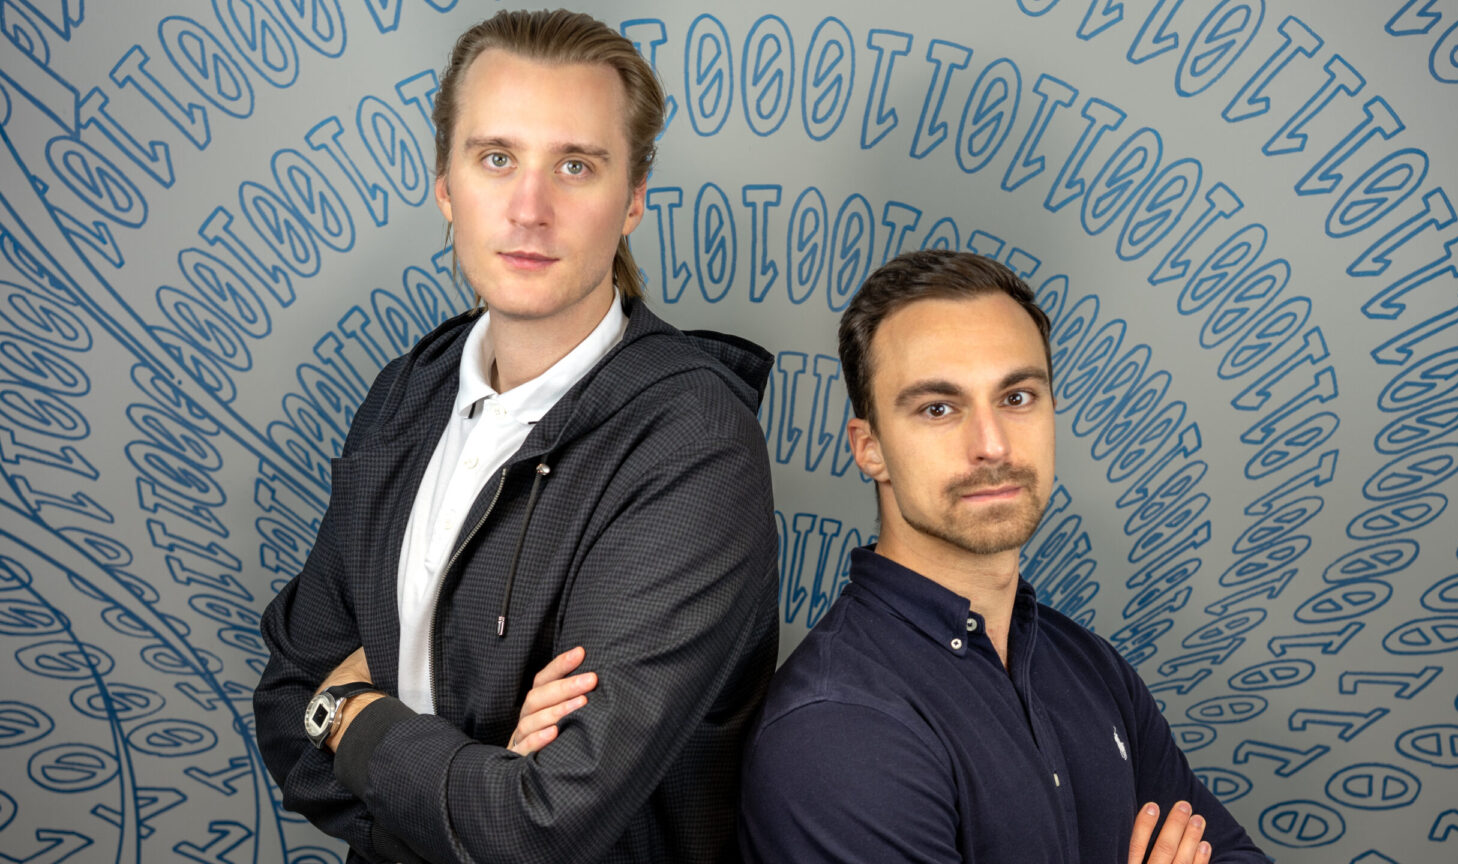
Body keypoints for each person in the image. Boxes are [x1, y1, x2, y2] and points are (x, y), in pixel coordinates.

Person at [253, 10, 778, 864]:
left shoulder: (693, 446)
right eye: (497, 158)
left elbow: (543, 824)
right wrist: (476, 774)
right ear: (445, 185)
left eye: (575, 166)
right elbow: (285, 707)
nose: (530, 210)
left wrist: (349, 715)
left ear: (633, 199)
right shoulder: (406, 396)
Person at [737, 250, 1267, 864]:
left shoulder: (1089, 667)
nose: (992, 445)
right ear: (870, 447)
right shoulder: (839, 729)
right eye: (939, 408)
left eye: (1016, 397)